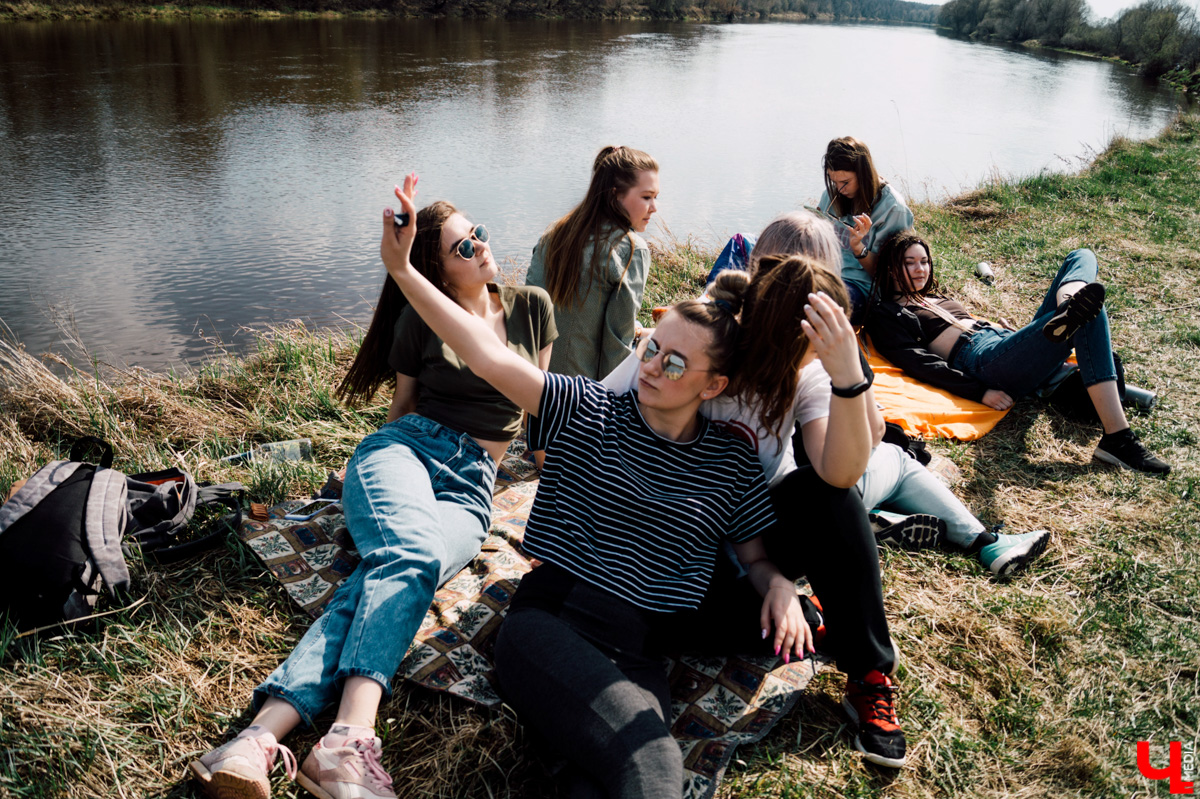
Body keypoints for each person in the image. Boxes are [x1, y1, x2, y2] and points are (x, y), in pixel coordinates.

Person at [382, 177, 808, 799]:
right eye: (654, 347)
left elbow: (754, 556)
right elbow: (484, 354)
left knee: (597, 780)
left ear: (713, 386)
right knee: (654, 765)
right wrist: (403, 271)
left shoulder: (729, 462)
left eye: (677, 363)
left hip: (640, 656)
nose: (655, 366)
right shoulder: (588, 409)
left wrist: (780, 589)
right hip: (553, 624)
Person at [188, 190, 557, 799]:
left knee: (385, 573)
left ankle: (255, 739)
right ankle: (346, 741)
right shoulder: (420, 320)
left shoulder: (532, 307)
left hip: (473, 488)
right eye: (465, 245)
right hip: (405, 450)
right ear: (438, 269)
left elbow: (539, 411)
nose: (483, 246)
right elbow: (402, 409)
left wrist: (555, 480)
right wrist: (358, 477)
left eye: (479, 232)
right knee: (409, 557)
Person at [604, 217, 910, 769]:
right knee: (660, 623)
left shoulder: (812, 372)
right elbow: (597, 411)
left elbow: (839, 473)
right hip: (671, 545)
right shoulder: (703, 339)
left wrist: (848, 376)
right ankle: (802, 614)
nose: (808, 360)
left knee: (830, 499)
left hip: (754, 540)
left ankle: (867, 672)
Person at [865, 229, 1170, 475]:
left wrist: (1011, 334)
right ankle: (1118, 438)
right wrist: (980, 391)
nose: (921, 269)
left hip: (999, 341)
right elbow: (920, 364)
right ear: (892, 268)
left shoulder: (933, 296)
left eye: (924, 261)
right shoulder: (887, 313)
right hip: (982, 359)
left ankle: (1069, 304)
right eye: (910, 263)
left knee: (1081, 257)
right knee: (1089, 313)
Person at [525, 145, 659, 380]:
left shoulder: (554, 233)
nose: (654, 208)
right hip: (581, 397)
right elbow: (617, 348)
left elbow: (529, 310)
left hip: (532, 384)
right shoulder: (631, 250)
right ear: (616, 194)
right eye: (646, 197)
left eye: (655, 198)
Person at [817, 136, 914, 322]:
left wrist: (859, 249)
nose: (838, 189)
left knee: (817, 306)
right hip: (825, 276)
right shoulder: (831, 196)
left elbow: (887, 277)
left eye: (845, 182)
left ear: (863, 174)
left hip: (861, 290)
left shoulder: (893, 209)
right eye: (833, 181)